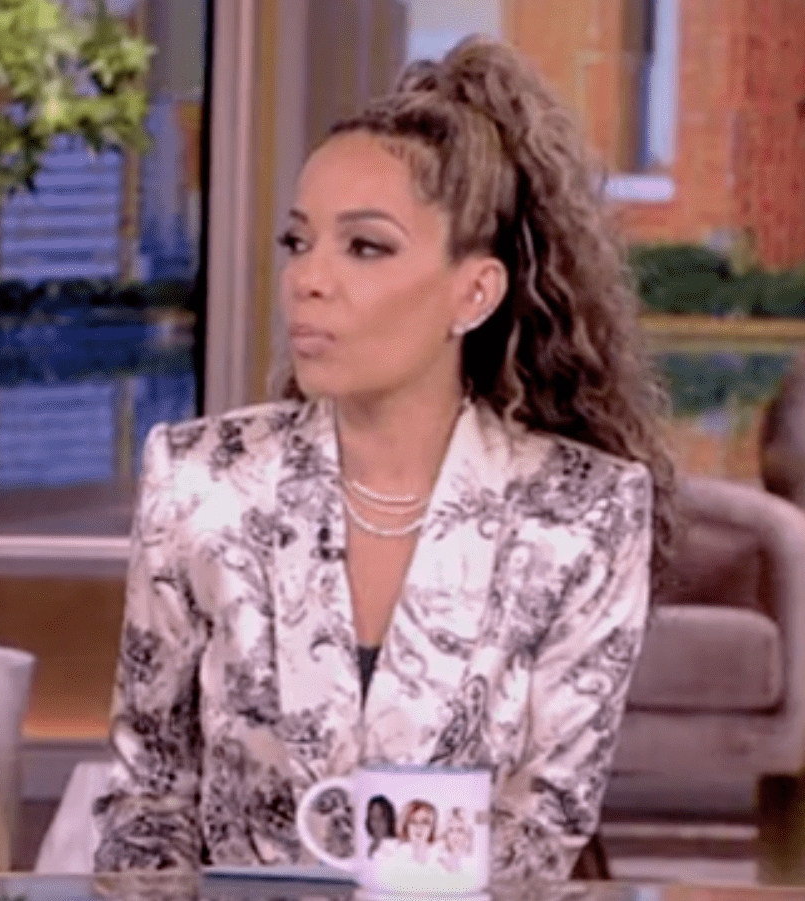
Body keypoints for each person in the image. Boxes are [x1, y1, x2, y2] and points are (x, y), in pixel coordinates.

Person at [54, 35, 673, 881]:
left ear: (474, 292)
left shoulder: (584, 511)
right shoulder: (199, 481)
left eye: (364, 246)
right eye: (297, 241)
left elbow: (543, 827)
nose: (308, 279)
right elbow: (147, 802)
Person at [363, 795, 398, 861]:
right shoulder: (372, 847)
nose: (377, 824)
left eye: (381, 818)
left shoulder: (397, 849)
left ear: (389, 820)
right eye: (373, 818)